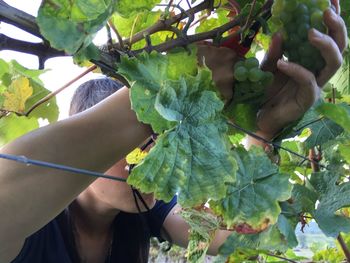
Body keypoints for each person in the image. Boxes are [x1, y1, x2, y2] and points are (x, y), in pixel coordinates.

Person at [0, 1, 347, 262]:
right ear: (96, 151)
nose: (153, 151)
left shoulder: (149, 208)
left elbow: (239, 238)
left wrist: (262, 131)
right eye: (139, 142)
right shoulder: (36, 222)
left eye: (161, 138)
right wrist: (167, 91)